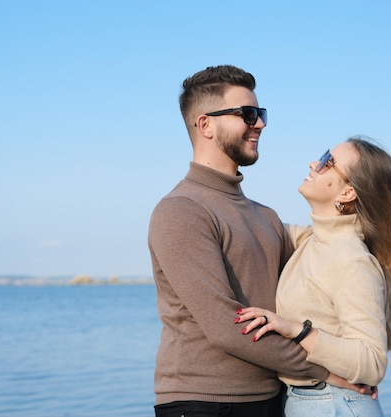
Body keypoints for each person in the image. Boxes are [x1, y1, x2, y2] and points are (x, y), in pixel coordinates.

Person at [147, 65, 357, 417]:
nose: (259, 123)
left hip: (273, 397)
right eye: (247, 114)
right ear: (205, 125)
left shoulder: (266, 216)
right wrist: (326, 373)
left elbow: (328, 259)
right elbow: (227, 328)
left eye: (260, 114)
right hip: (203, 402)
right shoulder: (181, 211)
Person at [237, 137, 391, 416]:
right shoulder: (311, 241)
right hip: (310, 402)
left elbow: (372, 363)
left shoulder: (353, 261)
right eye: (322, 156)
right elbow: (252, 223)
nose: (314, 164)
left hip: (336, 405)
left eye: (328, 162)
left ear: (348, 193)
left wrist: (296, 330)